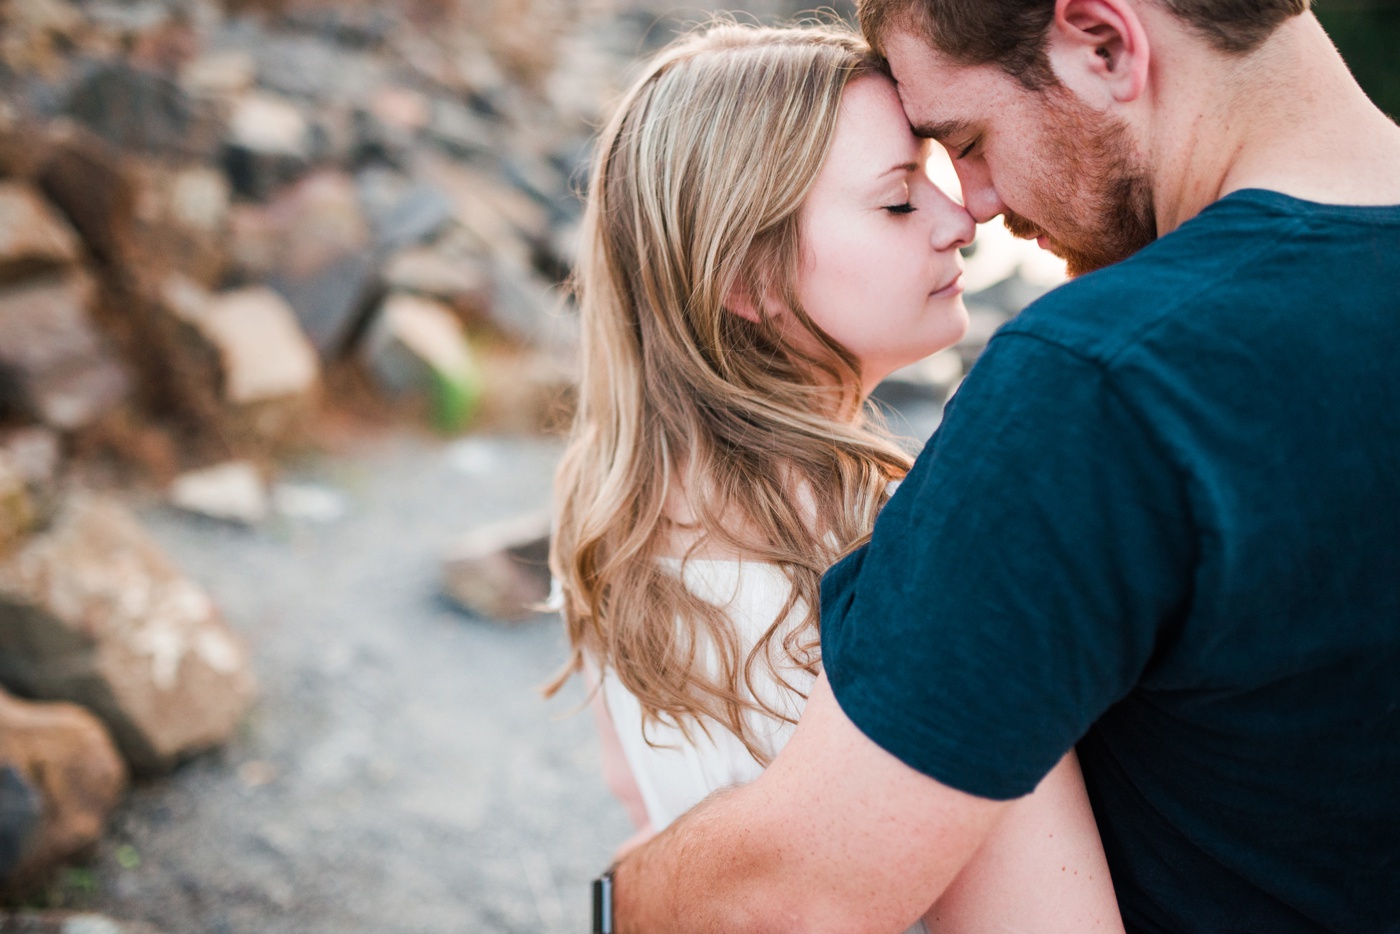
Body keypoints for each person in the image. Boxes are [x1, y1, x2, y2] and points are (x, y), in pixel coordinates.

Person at [605, 1, 1400, 932]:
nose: (974, 205)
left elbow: (801, 891)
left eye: (968, 141)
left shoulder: (1100, 381)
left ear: (1103, 41)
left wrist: (615, 898)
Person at [548, 21, 1124, 933]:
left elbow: (645, 802)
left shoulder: (607, 511)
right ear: (748, 275)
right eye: (900, 202)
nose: (961, 218)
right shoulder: (890, 533)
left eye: (937, 175)